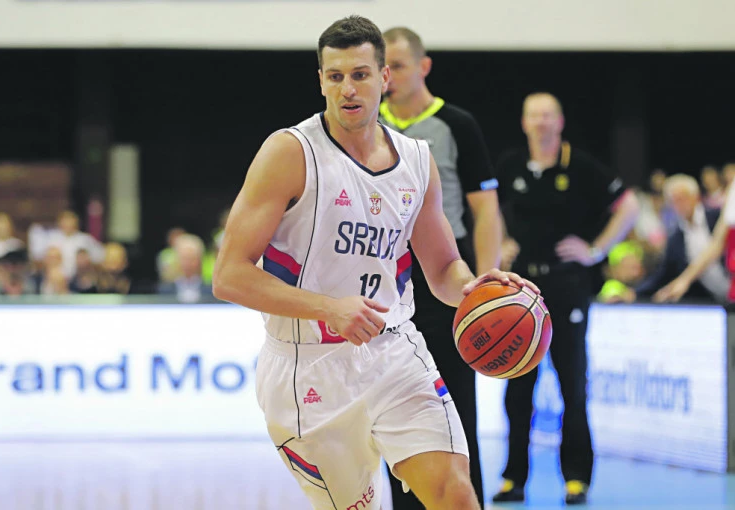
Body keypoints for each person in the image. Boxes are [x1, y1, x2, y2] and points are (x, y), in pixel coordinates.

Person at [212, 16, 537, 510]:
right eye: (336, 76)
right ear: (321, 80)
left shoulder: (417, 159)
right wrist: (329, 308)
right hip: (307, 369)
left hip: (394, 352)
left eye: (360, 74)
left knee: (456, 493)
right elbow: (229, 276)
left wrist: (477, 290)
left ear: (384, 78)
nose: (348, 88)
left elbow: (443, 268)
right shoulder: (290, 152)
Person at [494, 92, 639, 505]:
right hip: (521, 290)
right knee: (517, 388)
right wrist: (501, 241)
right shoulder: (510, 165)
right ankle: (513, 478)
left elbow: (628, 205)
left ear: (559, 122)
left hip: (566, 286)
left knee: (572, 385)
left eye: (547, 115)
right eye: (533, 115)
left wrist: (595, 250)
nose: (540, 122)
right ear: (524, 122)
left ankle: (576, 479)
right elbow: (487, 207)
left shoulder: (581, 165)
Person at [378, 26, 501, 510]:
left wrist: (485, 285)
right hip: (387, 278)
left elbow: (486, 209)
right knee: (392, 413)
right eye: (384, 68)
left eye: (398, 66)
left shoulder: (456, 124)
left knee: (455, 411)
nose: (389, 76)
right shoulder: (368, 122)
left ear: (424, 67)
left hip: (445, 275)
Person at [636, 174, 728, 302]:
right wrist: (634, 293)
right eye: (674, 200)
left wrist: (684, 280)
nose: (679, 204)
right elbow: (663, 274)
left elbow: (719, 248)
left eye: (683, 198)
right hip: (717, 300)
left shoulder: (719, 218)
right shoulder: (675, 237)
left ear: (696, 196)